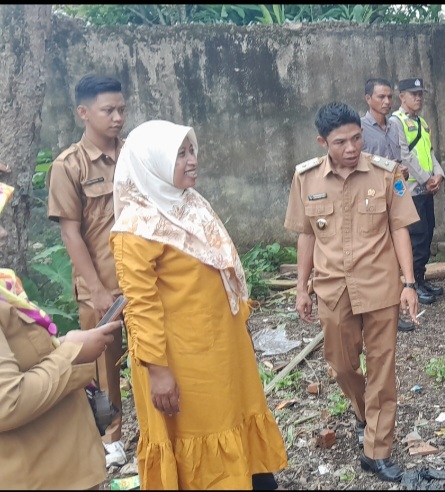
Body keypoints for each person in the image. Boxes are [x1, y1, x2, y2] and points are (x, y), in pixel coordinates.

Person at [110, 120, 288, 489]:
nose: (192, 161)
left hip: (220, 348)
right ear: (152, 163)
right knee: (201, 436)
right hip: (180, 361)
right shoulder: (136, 229)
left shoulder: (188, 204)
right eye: (180, 154)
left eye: (192, 151)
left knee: (233, 420)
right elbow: (140, 307)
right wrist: (158, 372)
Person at [285, 102, 420, 482]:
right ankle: (364, 413)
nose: (351, 147)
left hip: (380, 285)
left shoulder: (386, 173)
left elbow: (399, 228)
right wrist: (301, 288)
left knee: (382, 369)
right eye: (341, 141)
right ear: (322, 142)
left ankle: (376, 450)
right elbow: (306, 235)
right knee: (342, 365)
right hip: (332, 287)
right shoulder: (306, 178)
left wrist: (408, 283)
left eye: (356, 138)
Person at [0, 181, 124, 490]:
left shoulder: (5, 287)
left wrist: (64, 345)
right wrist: (71, 353)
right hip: (39, 475)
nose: (3, 234)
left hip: (59, 465)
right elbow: (7, 402)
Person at [45, 74, 128, 460]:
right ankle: (112, 439)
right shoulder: (69, 166)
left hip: (143, 279)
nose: (117, 118)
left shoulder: (134, 154)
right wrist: (95, 288)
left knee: (155, 355)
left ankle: (161, 428)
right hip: (101, 284)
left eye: (121, 109)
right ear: (83, 112)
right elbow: (71, 234)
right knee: (103, 364)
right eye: (108, 110)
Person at [362, 77, 430, 331]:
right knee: (377, 254)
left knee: (401, 247)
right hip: (373, 198)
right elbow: (359, 163)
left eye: (389, 97)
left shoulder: (393, 126)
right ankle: (375, 311)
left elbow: (398, 156)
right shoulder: (360, 128)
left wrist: (399, 170)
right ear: (368, 99)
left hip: (398, 190)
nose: (386, 101)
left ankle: (395, 307)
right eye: (381, 97)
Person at [391, 77, 445, 308]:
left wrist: (439, 175)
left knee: (427, 235)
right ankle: (411, 284)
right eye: (413, 94)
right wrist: (426, 178)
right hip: (412, 190)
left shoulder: (422, 122)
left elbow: (430, 152)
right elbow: (404, 155)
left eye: (420, 93)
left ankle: (421, 280)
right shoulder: (396, 121)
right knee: (415, 237)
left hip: (426, 189)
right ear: (401, 96)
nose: (418, 97)